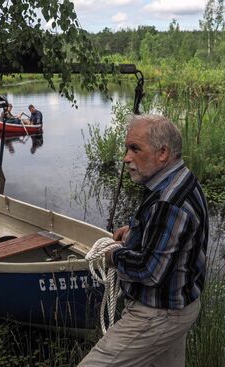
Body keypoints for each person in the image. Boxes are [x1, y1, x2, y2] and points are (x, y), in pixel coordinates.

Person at [79, 114, 209, 367]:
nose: (126, 158)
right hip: (181, 306)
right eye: (127, 148)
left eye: (135, 149)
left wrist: (112, 255)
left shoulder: (168, 203)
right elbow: (177, 234)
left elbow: (149, 271)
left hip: (158, 314)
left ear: (162, 153)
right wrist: (137, 230)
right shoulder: (183, 180)